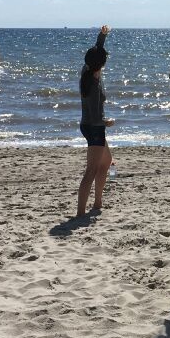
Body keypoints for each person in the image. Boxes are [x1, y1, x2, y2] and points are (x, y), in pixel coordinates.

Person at [77, 26, 114, 217]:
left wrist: (103, 35)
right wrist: (106, 122)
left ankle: (98, 202)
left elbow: (97, 50)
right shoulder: (93, 83)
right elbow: (94, 114)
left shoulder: (87, 69)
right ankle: (80, 213)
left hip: (89, 125)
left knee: (106, 161)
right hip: (94, 127)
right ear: (101, 63)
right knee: (91, 170)